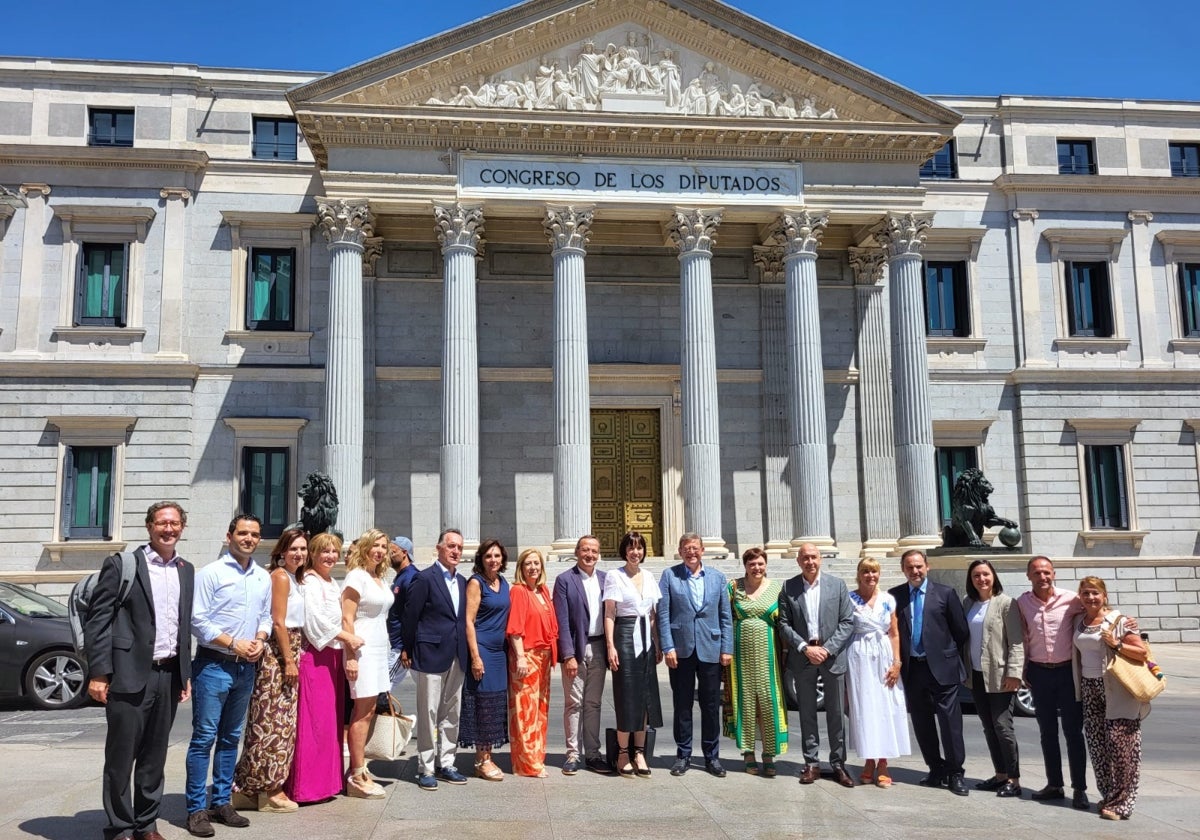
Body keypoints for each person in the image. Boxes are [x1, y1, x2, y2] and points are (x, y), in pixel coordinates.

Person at [86, 501, 194, 840]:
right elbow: (98, 620)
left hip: (168, 674)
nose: (168, 529)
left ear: (182, 528)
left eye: (174, 523)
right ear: (149, 526)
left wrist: (184, 672)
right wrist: (99, 672)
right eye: (162, 523)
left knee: (154, 756)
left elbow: (182, 624)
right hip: (128, 674)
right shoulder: (123, 565)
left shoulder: (185, 569)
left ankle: (146, 824)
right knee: (121, 756)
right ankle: (119, 827)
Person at [185, 514, 272, 837]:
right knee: (204, 738)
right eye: (243, 533)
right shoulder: (210, 573)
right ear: (229, 535)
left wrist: (260, 641)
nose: (248, 539)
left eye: (254, 534)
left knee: (230, 738)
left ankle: (222, 801)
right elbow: (198, 621)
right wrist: (234, 642)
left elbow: (265, 617)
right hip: (213, 665)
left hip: (245, 667)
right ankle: (196, 809)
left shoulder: (262, 577)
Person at [231, 528, 308, 813]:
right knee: (272, 723)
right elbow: (278, 622)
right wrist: (288, 660)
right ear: (282, 552)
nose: (299, 554)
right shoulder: (279, 577)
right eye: (294, 549)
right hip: (278, 655)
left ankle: (251, 786)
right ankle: (267, 788)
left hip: (292, 649)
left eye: (303, 549)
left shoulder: (294, 578)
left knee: (281, 723)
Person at [286, 532, 363, 804]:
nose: (330, 556)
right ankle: (306, 788)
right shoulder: (308, 581)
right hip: (315, 658)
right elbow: (314, 622)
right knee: (313, 724)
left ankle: (328, 783)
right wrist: (347, 637)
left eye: (334, 551)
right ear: (313, 554)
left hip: (332, 658)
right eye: (324, 551)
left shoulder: (332, 582)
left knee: (330, 723)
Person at [889, 548, 969, 797]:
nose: (915, 571)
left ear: (927, 566)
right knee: (922, 723)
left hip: (943, 669)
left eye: (919, 566)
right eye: (910, 567)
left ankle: (956, 772)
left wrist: (946, 654)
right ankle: (936, 769)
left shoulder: (945, 593)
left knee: (949, 723)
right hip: (913, 669)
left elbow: (961, 631)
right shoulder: (895, 596)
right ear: (903, 570)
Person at [1073, 576, 1151, 821]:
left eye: (1095, 593)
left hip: (1116, 689)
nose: (1090, 597)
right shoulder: (1079, 620)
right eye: (1085, 593)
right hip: (1089, 687)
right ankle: (1109, 796)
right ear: (1080, 596)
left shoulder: (1119, 620)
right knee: (1097, 746)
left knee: (1122, 747)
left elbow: (1141, 652)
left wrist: (1116, 644)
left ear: (1104, 595)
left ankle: (1123, 803)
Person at [778, 542, 855, 787]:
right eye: (805, 558)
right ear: (798, 561)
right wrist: (804, 648)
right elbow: (784, 623)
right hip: (803, 658)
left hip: (831, 657)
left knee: (835, 714)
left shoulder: (837, 586)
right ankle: (811, 763)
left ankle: (838, 764)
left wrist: (827, 649)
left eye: (813, 557)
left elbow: (847, 622)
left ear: (820, 559)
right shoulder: (788, 587)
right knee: (807, 713)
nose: (810, 562)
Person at [657, 532, 733, 778]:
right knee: (682, 704)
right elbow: (664, 614)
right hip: (681, 649)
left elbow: (725, 616)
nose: (691, 552)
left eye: (695, 548)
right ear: (680, 551)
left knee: (711, 705)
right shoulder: (670, 576)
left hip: (711, 647)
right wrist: (668, 647)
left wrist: (726, 648)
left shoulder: (717, 578)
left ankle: (712, 756)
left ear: (703, 551)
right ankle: (683, 754)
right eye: (686, 548)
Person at [1017, 556, 1089, 810]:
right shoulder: (1023, 603)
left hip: (1067, 674)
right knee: (1047, 732)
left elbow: (1098, 610)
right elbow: (1022, 637)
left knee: (1073, 733)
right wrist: (1023, 668)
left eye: (1046, 572)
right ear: (1029, 576)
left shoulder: (1072, 600)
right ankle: (1054, 784)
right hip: (1039, 673)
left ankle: (1079, 788)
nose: (1043, 577)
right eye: (1037, 573)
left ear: (1054, 574)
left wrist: (1126, 623)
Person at [401, 528, 470, 791]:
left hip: (456, 654)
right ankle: (426, 767)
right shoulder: (425, 579)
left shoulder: (463, 582)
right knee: (429, 712)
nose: (455, 552)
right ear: (439, 548)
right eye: (451, 546)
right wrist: (407, 649)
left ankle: (447, 762)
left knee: (452, 711)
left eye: (459, 548)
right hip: (429, 654)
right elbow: (411, 616)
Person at [603, 530, 664, 777]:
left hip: (646, 640)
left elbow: (652, 615)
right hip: (625, 635)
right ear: (624, 550)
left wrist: (657, 643)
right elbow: (609, 613)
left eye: (639, 548)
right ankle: (622, 752)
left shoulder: (649, 576)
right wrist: (610, 646)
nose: (635, 552)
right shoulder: (614, 576)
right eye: (631, 547)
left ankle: (639, 751)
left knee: (646, 697)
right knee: (627, 696)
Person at [844, 557, 909, 787]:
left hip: (883, 655)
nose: (870, 576)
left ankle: (882, 762)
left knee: (884, 708)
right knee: (864, 709)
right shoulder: (849, 599)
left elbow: (894, 632)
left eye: (874, 572)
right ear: (859, 574)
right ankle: (868, 760)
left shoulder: (887, 600)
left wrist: (896, 662)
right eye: (866, 571)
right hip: (859, 655)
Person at [722, 546, 787, 777]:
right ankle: (748, 752)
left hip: (769, 655)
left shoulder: (778, 589)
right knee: (745, 701)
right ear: (745, 566)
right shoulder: (734, 587)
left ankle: (769, 753)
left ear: (766, 565)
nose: (756, 568)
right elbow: (725, 618)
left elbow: (785, 622)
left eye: (760, 564)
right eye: (752, 564)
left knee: (768, 701)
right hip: (740, 657)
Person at [962, 558, 1024, 798]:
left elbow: (1016, 641)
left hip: (1000, 675)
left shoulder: (1006, 603)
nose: (982, 579)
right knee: (989, 728)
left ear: (994, 577)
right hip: (976, 675)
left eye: (985, 574)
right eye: (976, 575)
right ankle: (1000, 775)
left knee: (1003, 727)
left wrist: (1014, 673)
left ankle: (1014, 779)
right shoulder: (968, 603)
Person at [340, 529, 394, 798]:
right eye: (375, 545)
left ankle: (359, 767)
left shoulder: (379, 578)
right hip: (361, 650)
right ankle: (356, 774)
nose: (380, 550)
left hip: (378, 650)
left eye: (384, 546)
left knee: (369, 710)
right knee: (361, 712)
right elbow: (346, 618)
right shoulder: (356, 576)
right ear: (365, 547)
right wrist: (350, 655)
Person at [552, 534, 611, 775]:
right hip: (576, 649)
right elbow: (562, 621)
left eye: (594, 551)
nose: (590, 555)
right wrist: (568, 655)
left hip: (599, 647)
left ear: (599, 555)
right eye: (585, 550)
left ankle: (593, 754)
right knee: (574, 703)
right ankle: (573, 754)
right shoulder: (565, 580)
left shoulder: (607, 579)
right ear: (577, 552)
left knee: (593, 703)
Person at [459, 539, 512, 781]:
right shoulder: (476, 583)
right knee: (483, 704)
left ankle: (487, 754)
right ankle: (481, 759)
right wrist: (475, 657)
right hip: (482, 650)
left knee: (495, 705)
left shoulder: (504, 583)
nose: (493, 560)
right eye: (489, 556)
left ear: (503, 559)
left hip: (499, 651)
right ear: (481, 558)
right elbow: (468, 621)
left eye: (497, 556)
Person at [506, 548, 559, 777]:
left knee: (540, 710)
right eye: (528, 563)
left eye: (536, 563)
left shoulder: (543, 590)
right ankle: (527, 763)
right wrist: (519, 657)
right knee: (524, 712)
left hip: (544, 656)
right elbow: (515, 629)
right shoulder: (519, 591)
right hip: (526, 656)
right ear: (521, 567)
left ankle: (537, 756)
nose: (533, 568)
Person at [384, 537, 418, 692]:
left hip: (401, 646)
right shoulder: (401, 576)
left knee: (383, 687)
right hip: (399, 643)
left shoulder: (411, 577)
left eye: (392, 552)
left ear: (404, 553)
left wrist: (406, 647)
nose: (388, 556)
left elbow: (411, 615)